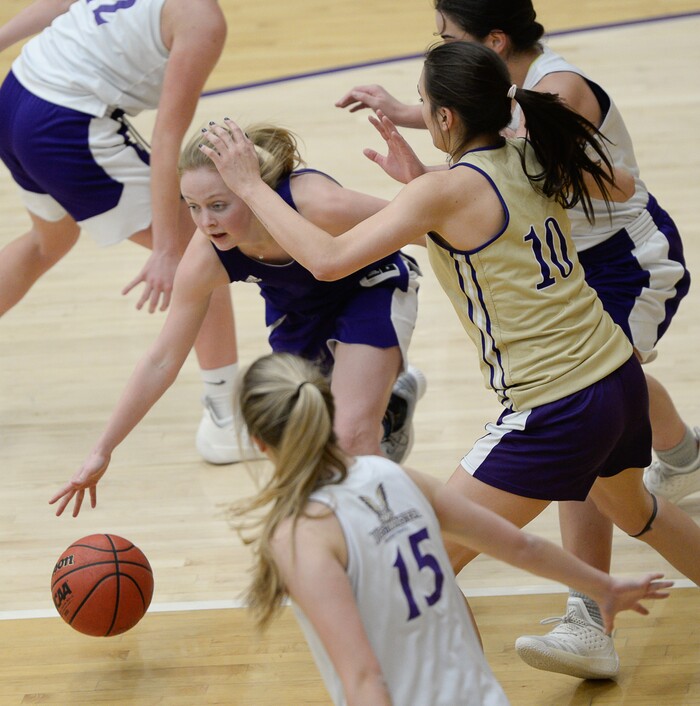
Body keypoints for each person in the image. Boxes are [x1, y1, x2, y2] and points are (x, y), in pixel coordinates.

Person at [192, 39, 700, 683]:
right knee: (641, 514)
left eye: (425, 103)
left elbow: (324, 259)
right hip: (618, 378)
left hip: (557, 404)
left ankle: (455, 692)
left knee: (419, 546)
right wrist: (421, 186)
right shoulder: (524, 153)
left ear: (444, 121)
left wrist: (247, 187)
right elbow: (615, 186)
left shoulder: (445, 192)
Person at [336, 0, 699, 678]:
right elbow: (485, 157)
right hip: (560, 269)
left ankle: (588, 619)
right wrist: (422, 168)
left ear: (492, 42)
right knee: (611, 428)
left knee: (582, 409)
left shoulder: (556, 94)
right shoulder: (503, 125)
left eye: (447, 36)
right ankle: (679, 455)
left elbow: (588, 177)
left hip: (620, 260)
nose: (440, 40)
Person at [231, 351, 672, 706]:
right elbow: (521, 547)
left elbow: (365, 678)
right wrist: (602, 586)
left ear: (259, 443)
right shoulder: (393, 476)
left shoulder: (300, 533)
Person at [49, 121, 424, 517]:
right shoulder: (205, 257)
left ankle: (401, 533)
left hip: (368, 289)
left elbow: (429, 226)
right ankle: (391, 406)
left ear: (251, 186)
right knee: (303, 452)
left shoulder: (318, 203)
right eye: (192, 207)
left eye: (218, 205)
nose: (205, 222)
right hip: (298, 313)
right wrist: (102, 449)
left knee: (350, 438)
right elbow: (162, 358)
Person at [0, 0, 257, 464]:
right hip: (65, 125)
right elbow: (166, 138)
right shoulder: (202, 19)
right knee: (204, 258)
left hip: (17, 94)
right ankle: (224, 422)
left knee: (47, 242)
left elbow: (63, 4)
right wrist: (166, 248)